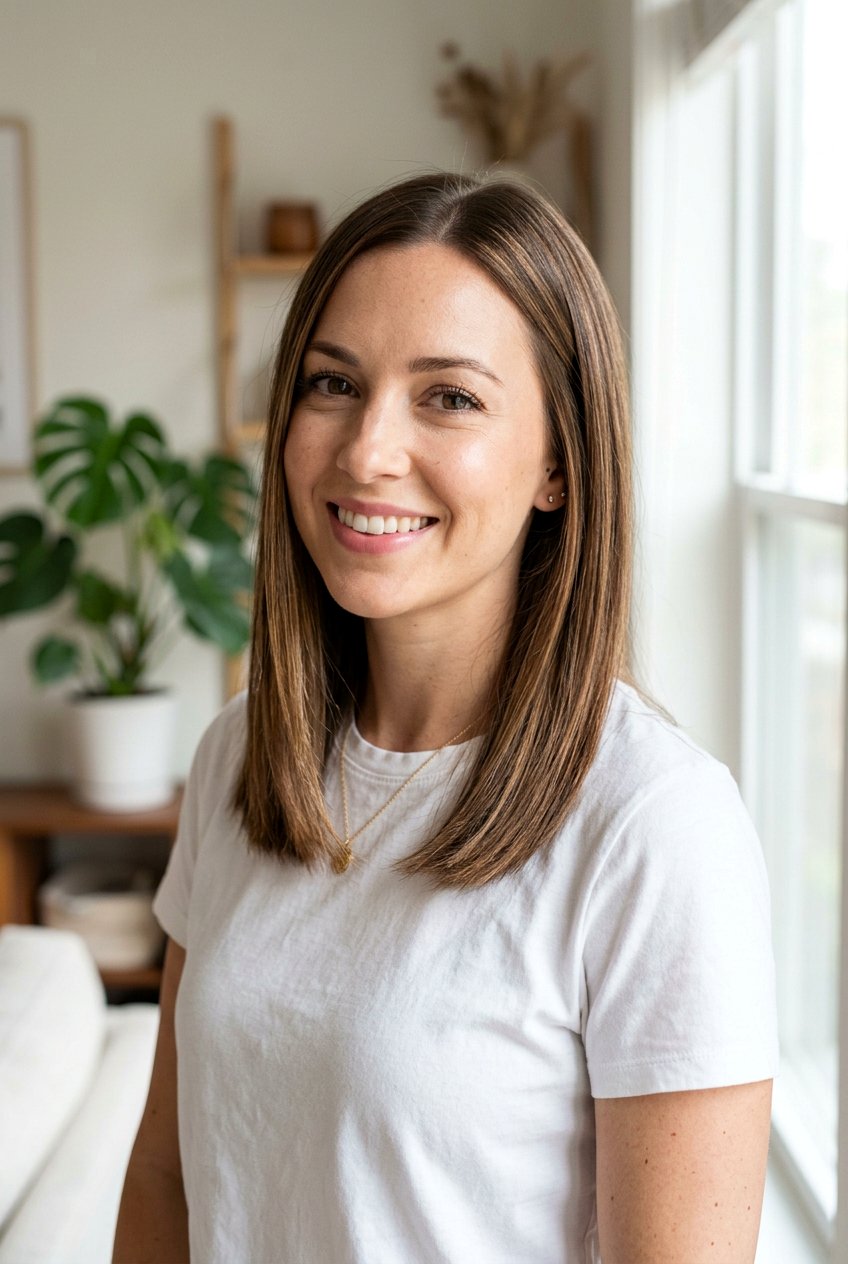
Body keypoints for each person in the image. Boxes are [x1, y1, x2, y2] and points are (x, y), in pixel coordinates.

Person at [114, 172, 778, 1263]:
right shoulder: (238, 755)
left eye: (449, 397)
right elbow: (168, 1172)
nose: (366, 448)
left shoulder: (656, 823)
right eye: (332, 383)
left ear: (558, 464)